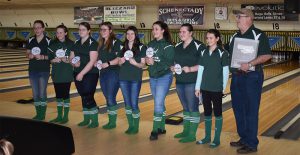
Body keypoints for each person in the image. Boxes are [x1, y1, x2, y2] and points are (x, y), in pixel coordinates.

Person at [225, 8, 271, 153]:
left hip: (252, 77)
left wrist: (250, 64)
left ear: (249, 18)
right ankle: (244, 138)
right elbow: (228, 53)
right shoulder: (234, 36)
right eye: (237, 16)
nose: (237, 18)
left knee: (251, 111)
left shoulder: (259, 35)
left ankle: (251, 143)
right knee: (238, 109)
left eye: (240, 16)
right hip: (237, 77)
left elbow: (266, 55)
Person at [195, 29, 230, 148]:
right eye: (207, 38)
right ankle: (207, 137)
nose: (208, 40)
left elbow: (225, 72)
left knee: (218, 113)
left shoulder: (223, 53)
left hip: (216, 89)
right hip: (205, 88)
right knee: (207, 113)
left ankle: (216, 139)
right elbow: (200, 70)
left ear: (217, 39)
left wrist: (223, 88)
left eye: (211, 38)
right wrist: (197, 87)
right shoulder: (204, 52)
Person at [172, 23, 205, 143]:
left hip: (193, 81)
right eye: (180, 32)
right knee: (185, 108)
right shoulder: (178, 46)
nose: (181, 34)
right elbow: (175, 61)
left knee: (192, 107)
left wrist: (190, 69)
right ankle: (185, 131)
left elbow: (203, 64)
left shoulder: (199, 46)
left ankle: (192, 134)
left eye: (184, 32)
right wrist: (173, 67)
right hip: (180, 81)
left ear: (191, 33)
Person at [146, 21, 174, 140]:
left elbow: (169, 63)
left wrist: (154, 63)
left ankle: (154, 130)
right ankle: (162, 127)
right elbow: (148, 59)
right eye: (153, 29)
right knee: (159, 102)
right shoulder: (150, 44)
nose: (154, 31)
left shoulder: (168, 46)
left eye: (156, 29)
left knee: (157, 103)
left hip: (164, 76)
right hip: (153, 77)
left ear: (163, 30)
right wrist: (147, 61)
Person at [70, 22, 99, 128]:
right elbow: (71, 57)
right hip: (77, 72)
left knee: (88, 95)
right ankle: (86, 119)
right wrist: (73, 62)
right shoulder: (76, 42)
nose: (81, 31)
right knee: (83, 95)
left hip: (90, 73)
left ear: (88, 31)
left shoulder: (93, 43)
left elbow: (92, 61)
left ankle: (95, 121)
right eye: (79, 29)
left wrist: (82, 73)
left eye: (83, 29)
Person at [118, 26, 146, 134]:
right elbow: (119, 63)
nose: (130, 36)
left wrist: (135, 63)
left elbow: (143, 64)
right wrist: (121, 60)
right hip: (123, 78)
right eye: (128, 34)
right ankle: (130, 125)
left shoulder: (141, 47)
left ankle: (136, 126)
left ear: (136, 35)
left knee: (134, 103)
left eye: (132, 34)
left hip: (135, 78)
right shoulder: (122, 46)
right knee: (127, 103)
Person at [97, 22, 123, 130]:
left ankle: (112, 122)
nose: (102, 32)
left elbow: (119, 59)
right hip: (103, 73)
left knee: (111, 96)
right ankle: (110, 120)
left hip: (114, 72)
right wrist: (97, 62)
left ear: (110, 30)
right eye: (101, 30)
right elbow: (99, 57)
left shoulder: (116, 42)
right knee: (107, 96)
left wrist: (108, 63)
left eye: (105, 30)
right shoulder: (101, 43)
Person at [48, 25, 74, 124]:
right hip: (56, 73)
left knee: (65, 95)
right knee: (58, 95)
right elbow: (49, 59)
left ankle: (65, 117)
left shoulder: (71, 44)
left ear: (66, 33)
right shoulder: (52, 44)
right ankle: (59, 116)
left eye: (61, 32)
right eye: (57, 32)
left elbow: (74, 59)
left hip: (67, 73)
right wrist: (53, 60)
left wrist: (67, 60)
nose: (58, 34)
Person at [26, 20, 51, 121]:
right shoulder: (30, 40)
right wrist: (29, 55)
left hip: (44, 70)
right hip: (32, 70)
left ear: (43, 29)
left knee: (42, 93)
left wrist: (42, 57)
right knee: (35, 94)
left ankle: (42, 115)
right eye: (35, 28)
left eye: (39, 27)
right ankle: (38, 114)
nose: (37, 30)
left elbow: (51, 56)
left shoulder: (49, 40)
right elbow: (27, 53)